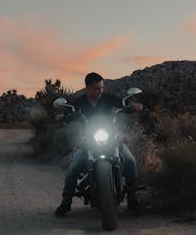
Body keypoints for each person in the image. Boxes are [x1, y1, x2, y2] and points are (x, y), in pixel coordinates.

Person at [54, 72, 144, 217]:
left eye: (101, 87)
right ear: (88, 88)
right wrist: (62, 116)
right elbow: (70, 112)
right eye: (97, 88)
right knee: (74, 168)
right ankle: (66, 202)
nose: (100, 91)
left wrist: (132, 105)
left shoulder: (108, 99)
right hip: (88, 140)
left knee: (130, 161)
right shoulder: (80, 102)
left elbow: (122, 104)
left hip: (111, 137)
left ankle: (133, 200)